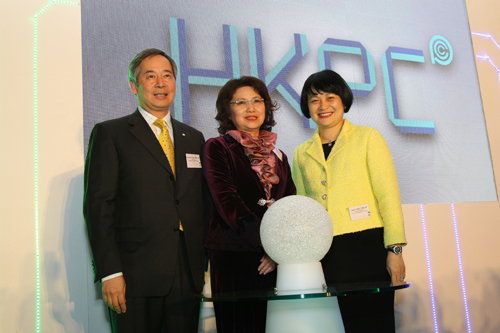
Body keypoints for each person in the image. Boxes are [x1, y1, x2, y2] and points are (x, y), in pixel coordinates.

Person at [84, 48, 207, 333]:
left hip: (186, 275)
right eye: (150, 76)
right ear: (134, 86)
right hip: (134, 276)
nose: (160, 83)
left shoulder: (194, 138)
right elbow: (98, 207)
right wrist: (110, 272)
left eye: (167, 76)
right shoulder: (111, 134)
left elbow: (201, 203)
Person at [291, 69, 407, 333]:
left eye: (330, 97)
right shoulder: (301, 152)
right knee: (343, 324)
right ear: (307, 108)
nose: (323, 106)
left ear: (343, 100)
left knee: (376, 323)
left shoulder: (368, 138)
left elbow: (388, 196)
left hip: (368, 246)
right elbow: (303, 206)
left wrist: (395, 250)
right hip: (328, 251)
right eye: (314, 100)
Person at [203, 76, 296, 332]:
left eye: (257, 101)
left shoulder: (279, 155)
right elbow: (227, 203)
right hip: (234, 257)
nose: (251, 108)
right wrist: (269, 244)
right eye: (241, 102)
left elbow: (289, 205)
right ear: (228, 111)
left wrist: (278, 252)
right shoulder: (217, 148)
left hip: (274, 261)